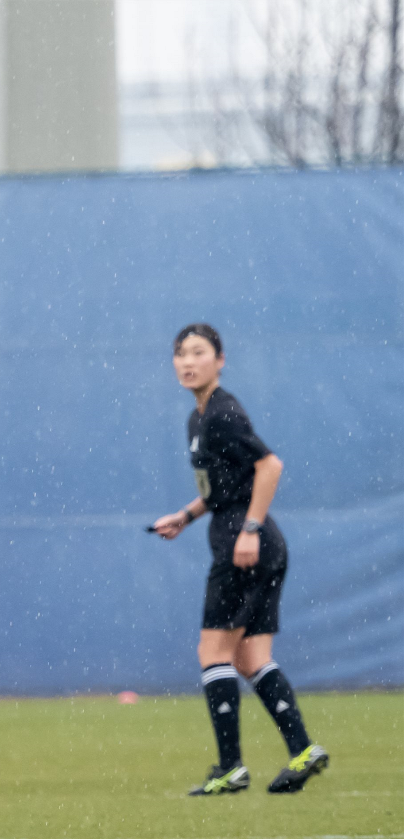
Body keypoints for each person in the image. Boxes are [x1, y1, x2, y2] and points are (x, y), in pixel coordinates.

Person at [151, 324, 328, 796]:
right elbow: (220, 489)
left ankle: (231, 768)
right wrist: (185, 516)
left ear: (220, 359)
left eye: (199, 352)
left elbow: (269, 466)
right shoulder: (198, 418)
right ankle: (304, 750)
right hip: (255, 543)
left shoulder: (222, 413)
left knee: (213, 653)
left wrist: (249, 529)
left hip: (244, 545)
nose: (188, 362)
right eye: (181, 354)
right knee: (252, 657)